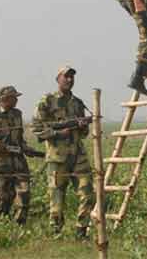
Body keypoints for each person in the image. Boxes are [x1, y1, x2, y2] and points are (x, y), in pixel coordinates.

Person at [33, 66, 94, 237]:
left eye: (72, 77)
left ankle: (81, 230)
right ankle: (56, 233)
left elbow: (84, 134)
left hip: (78, 156)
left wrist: (82, 126)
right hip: (57, 157)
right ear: (58, 78)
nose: (69, 80)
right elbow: (36, 128)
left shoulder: (78, 103)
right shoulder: (47, 101)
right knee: (57, 199)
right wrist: (58, 133)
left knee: (88, 193)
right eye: (66, 76)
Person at [0, 85, 42, 224]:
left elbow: (19, 137)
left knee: (24, 194)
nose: (16, 101)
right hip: (0, 163)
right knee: (2, 197)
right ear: (4, 99)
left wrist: (26, 148)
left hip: (18, 161)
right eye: (13, 98)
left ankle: (20, 225)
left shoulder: (17, 114)